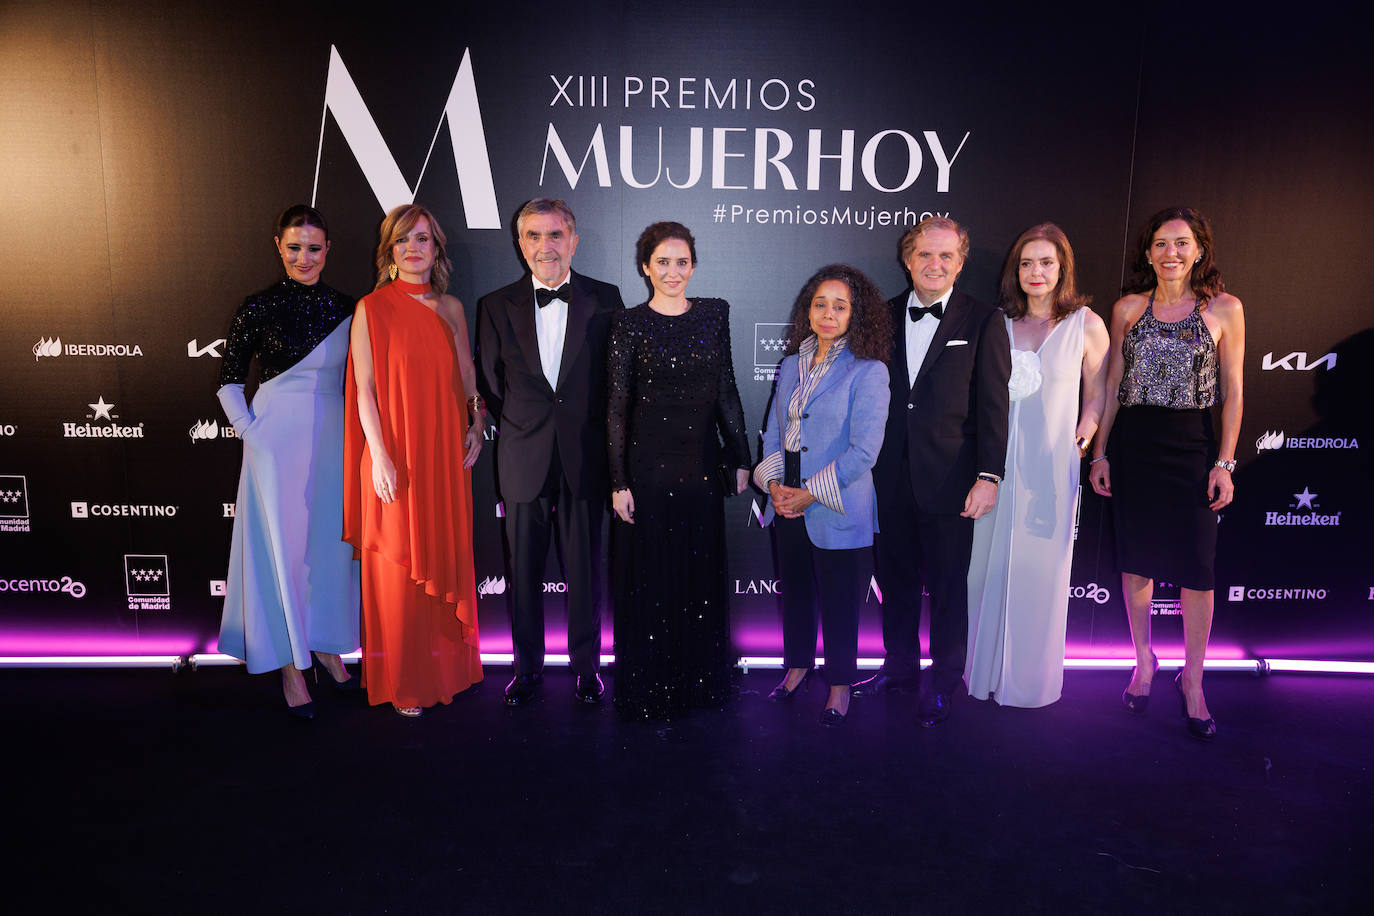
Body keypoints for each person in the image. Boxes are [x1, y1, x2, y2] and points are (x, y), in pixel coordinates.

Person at [1089, 207, 1244, 741]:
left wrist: (1224, 461)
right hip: (1136, 447)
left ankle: (1194, 680)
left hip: (1194, 448)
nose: (1170, 253)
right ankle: (1144, 662)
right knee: (1136, 566)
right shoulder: (1129, 308)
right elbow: (1112, 388)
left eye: (1181, 243)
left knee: (1197, 572)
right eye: (1160, 243)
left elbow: (1233, 392)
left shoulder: (1224, 308)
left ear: (1199, 249)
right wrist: (1102, 452)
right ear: (1148, 252)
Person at [859, 216, 1012, 727]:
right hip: (887, 479)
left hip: (951, 481)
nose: (935, 264)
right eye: (925, 254)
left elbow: (994, 406)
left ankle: (945, 681)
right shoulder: (878, 316)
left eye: (946, 256)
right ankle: (898, 669)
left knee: (948, 588)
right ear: (908, 258)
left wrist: (989, 476)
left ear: (961, 261)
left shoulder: (984, 319)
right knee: (895, 582)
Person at [476, 199, 624, 706]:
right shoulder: (494, 305)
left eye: (556, 235)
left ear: (574, 241)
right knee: (523, 575)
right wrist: (525, 424)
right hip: (522, 456)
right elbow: (492, 384)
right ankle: (528, 671)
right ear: (521, 245)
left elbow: (615, 382)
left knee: (585, 572)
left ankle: (587, 669)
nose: (546, 246)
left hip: (585, 457)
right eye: (535, 236)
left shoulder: (607, 299)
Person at [216, 205, 361, 719]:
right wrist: (250, 432)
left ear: (329, 251)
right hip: (274, 439)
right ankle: (290, 668)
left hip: (334, 438)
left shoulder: (350, 306)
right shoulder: (256, 307)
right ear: (278, 244)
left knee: (330, 548)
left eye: (314, 248)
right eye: (295, 247)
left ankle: (327, 646)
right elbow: (230, 378)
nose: (304, 257)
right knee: (282, 548)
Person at [344, 204, 484, 718]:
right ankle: (404, 682)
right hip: (393, 456)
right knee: (399, 574)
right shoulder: (371, 308)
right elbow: (363, 391)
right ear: (390, 251)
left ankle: (445, 671)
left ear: (436, 249)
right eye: (404, 240)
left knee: (440, 557)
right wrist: (379, 456)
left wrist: (476, 421)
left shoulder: (451, 308)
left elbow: (467, 374)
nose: (414, 248)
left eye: (423, 239)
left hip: (444, 454)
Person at [608, 221, 750, 720]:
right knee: (653, 577)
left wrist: (740, 456)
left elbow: (727, 391)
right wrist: (619, 481)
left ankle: (697, 678)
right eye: (662, 262)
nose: (672, 271)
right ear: (645, 267)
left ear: (694, 266)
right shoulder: (628, 323)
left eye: (681, 262)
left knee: (698, 577)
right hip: (648, 473)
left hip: (701, 469)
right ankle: (653, 681)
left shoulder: (714, 314)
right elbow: (617, 407)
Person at [964, 224, 1109, 708]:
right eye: (1026, 263)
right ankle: (980, 674)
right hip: (996, 466)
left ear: (1062, 267)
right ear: (1015, 270)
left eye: (1046, 262)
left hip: (1051, 466)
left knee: (1040, 576)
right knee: (984, 571)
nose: (1036, 272)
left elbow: (1099, 396)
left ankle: (1029, 682)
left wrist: (1083, 440)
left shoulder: (1086, 323)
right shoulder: (998, 323)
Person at [754, 264, 891, 726]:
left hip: (835, 503)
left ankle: (839, 685)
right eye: (820, 304)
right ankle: (796, 668)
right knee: (795, 593)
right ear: (807, 311)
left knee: (839, 603)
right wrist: (774, 485)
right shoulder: (791, 363)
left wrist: (809, 494)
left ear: (857, 314)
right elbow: (774, 430)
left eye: (840, 306)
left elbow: (864, 452)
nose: (828, 313)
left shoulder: (869, 371)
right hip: (785, 496)